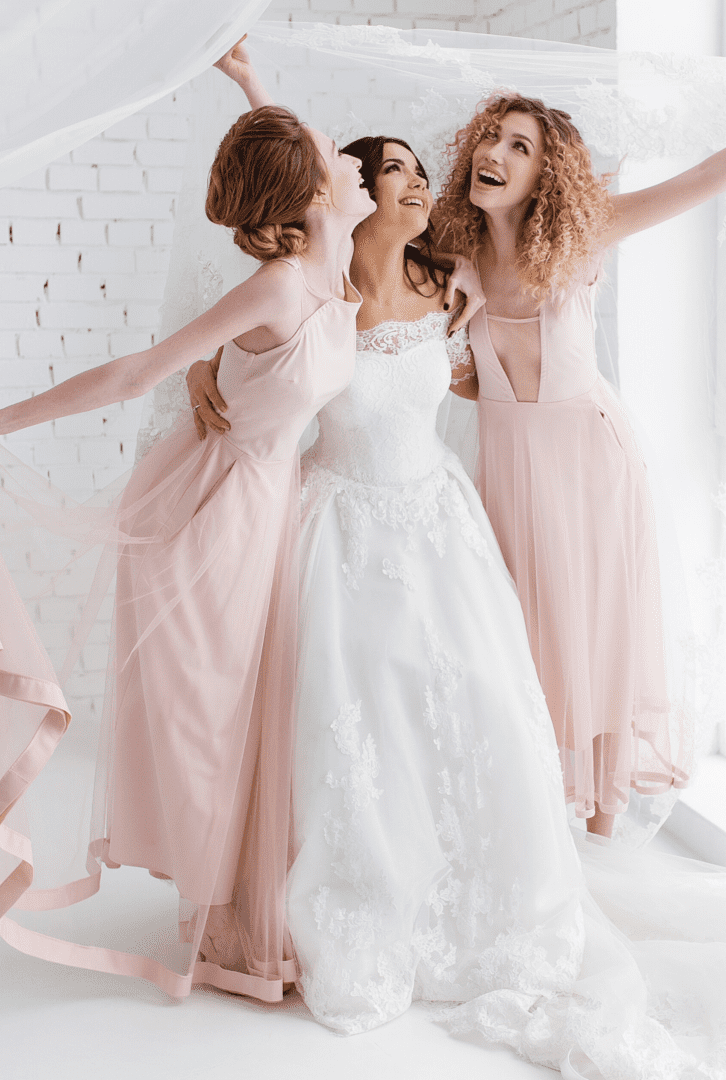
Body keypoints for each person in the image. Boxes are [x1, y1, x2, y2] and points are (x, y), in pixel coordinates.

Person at [190, 129, 726, 1080]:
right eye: (399, 171)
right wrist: (206, 368)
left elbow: (677, 190)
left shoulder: (486, 267)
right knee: (355, 726)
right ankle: (371, 903)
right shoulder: (333, 293)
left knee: (490, 702)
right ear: (354, 193)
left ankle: (507, 883)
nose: (424, 181)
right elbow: (253, 300)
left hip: (471, 512)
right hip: (350, 530)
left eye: (422, 168)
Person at [0, 96, 374, 1001]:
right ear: (315, 187)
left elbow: (291, 159)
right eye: (340, 153)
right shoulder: (282, 285)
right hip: (215, 513)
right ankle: (228, 921)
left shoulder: (337, 270)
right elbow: (138, 372)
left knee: (267, 713)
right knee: (216, 714)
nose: (360, 160)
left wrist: (252, 83)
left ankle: (255, 905)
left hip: (274, 502)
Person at [431, 95, 726, 836]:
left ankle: (605, 838)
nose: (495, 153)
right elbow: (339, 230)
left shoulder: (583, 235)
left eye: (519, 146)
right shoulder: (450, 247)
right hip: (508, 473)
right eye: (490, 138)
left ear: (547, 172)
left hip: (591, 469)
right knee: (523, 644)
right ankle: (536, 828)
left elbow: (706, 176)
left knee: (599, 636)